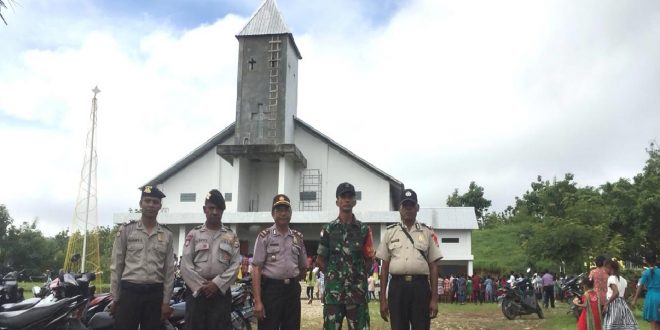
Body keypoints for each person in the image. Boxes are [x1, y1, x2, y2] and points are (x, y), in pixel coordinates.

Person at [110, 185, 175, 329]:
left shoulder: (167, 235)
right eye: (147, 201)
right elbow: (116, 266)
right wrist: (115, 298)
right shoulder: (127, 230)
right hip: (129, 293)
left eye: (155, 202)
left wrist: (166, 302)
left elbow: (169, 271)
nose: (151, 205)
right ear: (140, 204)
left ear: (160, 206)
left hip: (154, 294)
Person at [376, 188, 442, 330]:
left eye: (411, 206)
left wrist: (434, 299)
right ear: (399, 208)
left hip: (420, 288)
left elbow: (434, 266)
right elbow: (385, 266)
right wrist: (382, 299)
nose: (408, 209)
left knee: (421, 327)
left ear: (417, 208)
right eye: (405, 206)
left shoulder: (427, 232)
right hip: (397, 288)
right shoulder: (390, 233)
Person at [180, 189, 241, 329]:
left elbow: (234, 266)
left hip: (220, 293)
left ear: (223, 211)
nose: (215, 212)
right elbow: (186, 265)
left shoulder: (231, 236)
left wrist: (216, 284)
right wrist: (202, 286)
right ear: (204, 209)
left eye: (219, 208)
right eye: (211, 208)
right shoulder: (194, 234)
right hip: (196, 293)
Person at [317, 182, 374, 330]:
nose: (347, 200)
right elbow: (321, 260)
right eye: (343, 197)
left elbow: (369, 261)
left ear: (355, 201)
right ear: (337, 201)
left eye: (350, 197)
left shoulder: (363, 230)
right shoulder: (328, 229)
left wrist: (356, 278)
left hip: (357, 295)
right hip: (334, 296)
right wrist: (334, 278)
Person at [252, 194, 307, 330]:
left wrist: (290, 280)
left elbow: (303, 268)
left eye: (286, 210)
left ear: (291, 213)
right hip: (271, 291)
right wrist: (258, 301)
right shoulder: (264, 237)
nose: (283, 213)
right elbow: (256, 269)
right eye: (279, 210)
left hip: (292, 291)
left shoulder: (297, 238)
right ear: (272, 214)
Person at [602, 259, 640, 330]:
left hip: (613, 304)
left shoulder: (611, 278)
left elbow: (616, 293)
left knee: (611, 326)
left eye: (605, 268)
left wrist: (607, 304)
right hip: (622, 304)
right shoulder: (623, 280)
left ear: (609, 268)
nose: (604, 270)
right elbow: (625, 295)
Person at [632, 251, 659, 330]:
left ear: (646, 261)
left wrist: (635, 299)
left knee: (653, 323)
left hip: (651, 298)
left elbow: (640, 286)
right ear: (656, 260)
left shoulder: (646, 273)